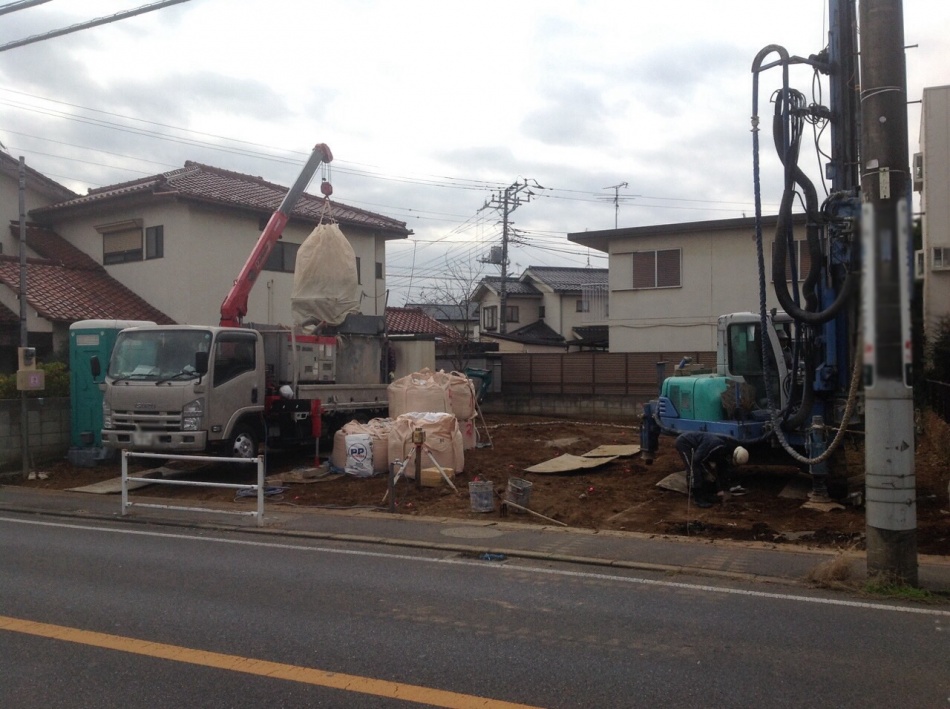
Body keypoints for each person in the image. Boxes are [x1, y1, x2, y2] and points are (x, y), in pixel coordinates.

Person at [674, 431, 749, 508]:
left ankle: (706, 494)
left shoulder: (724, 452)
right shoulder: (714, 446)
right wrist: (706, 473)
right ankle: (697, 498)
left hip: (700, 449)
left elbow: (722, 470)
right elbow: (696, 460)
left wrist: (724, 489)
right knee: (694, 469)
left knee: (706, 471)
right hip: (685, 443)